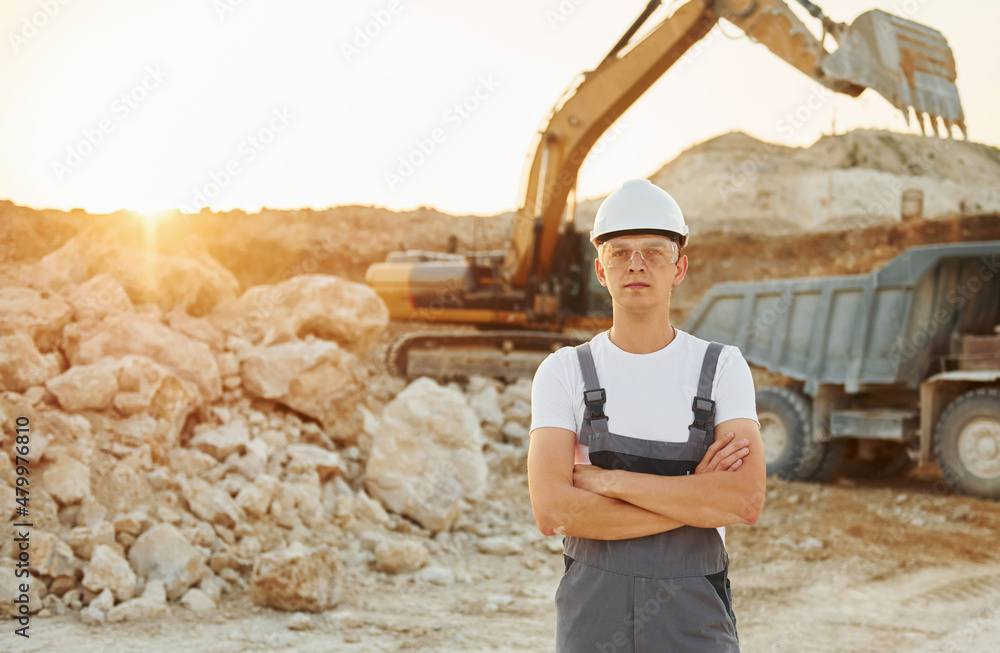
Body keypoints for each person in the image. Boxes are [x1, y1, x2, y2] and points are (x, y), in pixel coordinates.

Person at [527, 179, 766, 652]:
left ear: (680, 267)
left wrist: (607, 482)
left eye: (654, 252)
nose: (636, 264)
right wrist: (695, 497)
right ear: (600, 269)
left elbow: (742, 501)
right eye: (620, 252)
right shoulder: (564, 371)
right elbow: (553, 510)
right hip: (594, 615)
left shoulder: (721, 367)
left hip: (693, 615)